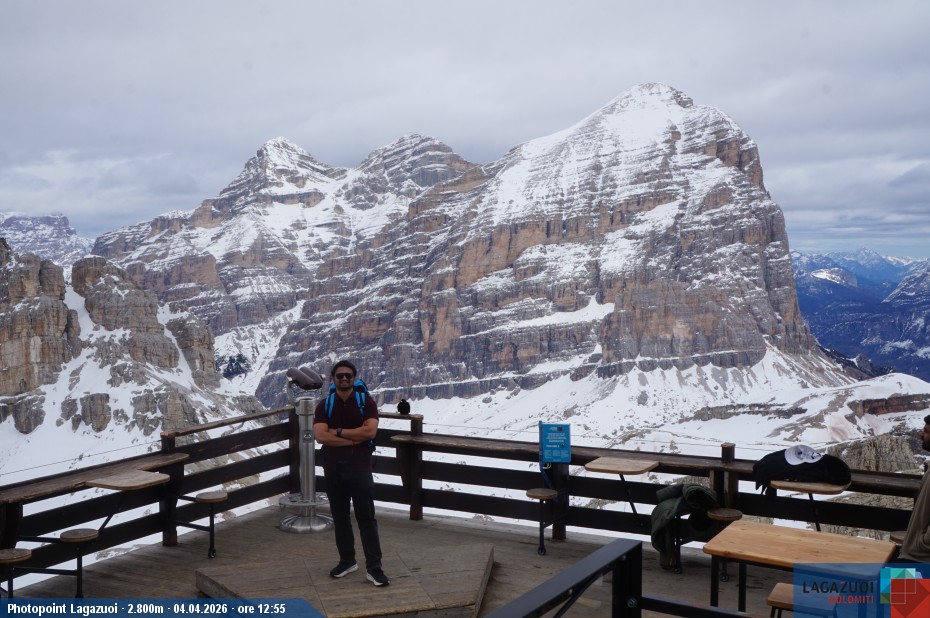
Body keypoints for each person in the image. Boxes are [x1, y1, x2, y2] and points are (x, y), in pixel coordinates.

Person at [313, 360, 390, 586]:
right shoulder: (324, 405)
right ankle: (347, 561)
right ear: (333, 379)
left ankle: (374, 568)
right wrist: (353, 438)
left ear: (354, 378)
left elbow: (370, 432)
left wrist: (337, 432)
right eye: (340, 376)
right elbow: (320, 436)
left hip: (360, 469)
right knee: (340, 518)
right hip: (333, 469)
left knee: (367, 519)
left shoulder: (366, 402)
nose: (344, 379)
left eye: (348, 375)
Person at [899, 414, 930, 562]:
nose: (921, 434)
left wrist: (921, 544)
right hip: (916, 555)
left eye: (927, 431)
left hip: (920, 561)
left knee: (884, 579)